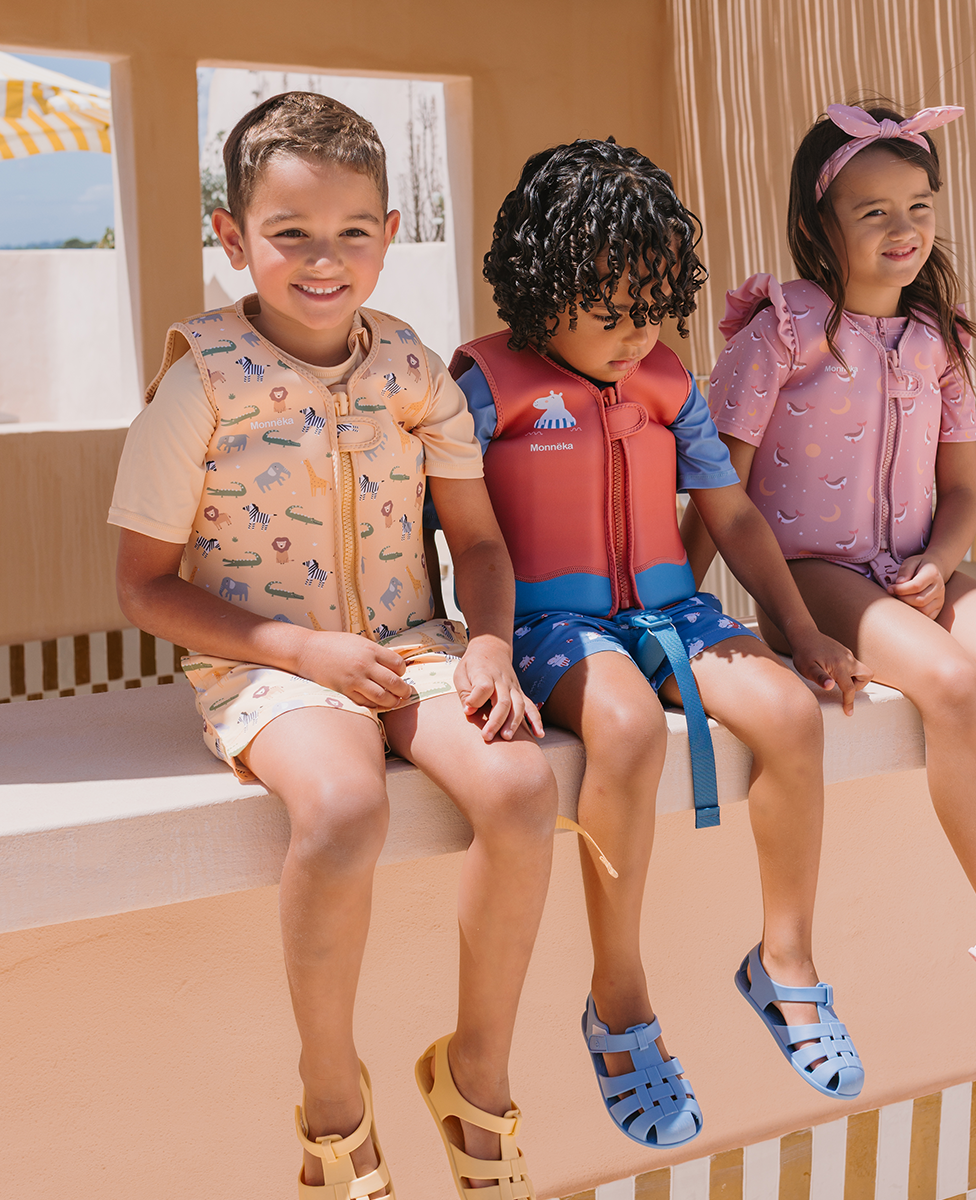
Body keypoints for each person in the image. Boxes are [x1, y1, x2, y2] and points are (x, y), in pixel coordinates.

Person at [108, 91, 558, 1200]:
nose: (325, 259)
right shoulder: (198, 386)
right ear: (233, 237)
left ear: (390, 234)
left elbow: (479, 543)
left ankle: (476, 1074)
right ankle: (330, 1103)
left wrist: (490, 647)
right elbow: (143, 587)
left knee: (517, 786)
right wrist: (303, 657)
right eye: (291, 232)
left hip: (410, 642)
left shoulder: (413, 370)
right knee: (347, 805)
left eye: (354, 231)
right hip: (266, 662)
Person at [438, 137, 873, 1148]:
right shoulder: (483, 385)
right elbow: (447, 528)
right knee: (626, 729)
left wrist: (799, 629)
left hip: (675, 613)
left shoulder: (669, 382)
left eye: (654, 306)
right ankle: (620, 997)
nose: (638, 333)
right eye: (613, 310)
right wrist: (471, 644)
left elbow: (734, 515)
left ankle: (786, 962)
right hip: (548, 625)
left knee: (788, 712)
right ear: (542, 288)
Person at [683, 101, 976, 1073]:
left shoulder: (938, 340)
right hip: (811, 575)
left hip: (916, 568)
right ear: (819, 223)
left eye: (918, 205)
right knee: (953, 685)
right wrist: (689, 608)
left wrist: (942, 560)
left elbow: (962, 494)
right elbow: (718, 493)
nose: (903, 227)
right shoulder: (779, 331)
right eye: (873, 210)